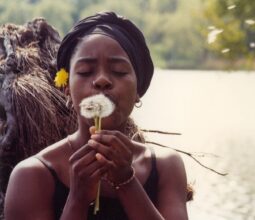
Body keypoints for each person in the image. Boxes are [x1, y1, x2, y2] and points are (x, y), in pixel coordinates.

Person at [4, 12, 189, 220]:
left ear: (139, 89)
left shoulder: (165, 166)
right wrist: (78, 198)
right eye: (85, 71)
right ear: (66, 88)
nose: (101, 80)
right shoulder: (32, 175)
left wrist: (127, 182)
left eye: (119, 71)